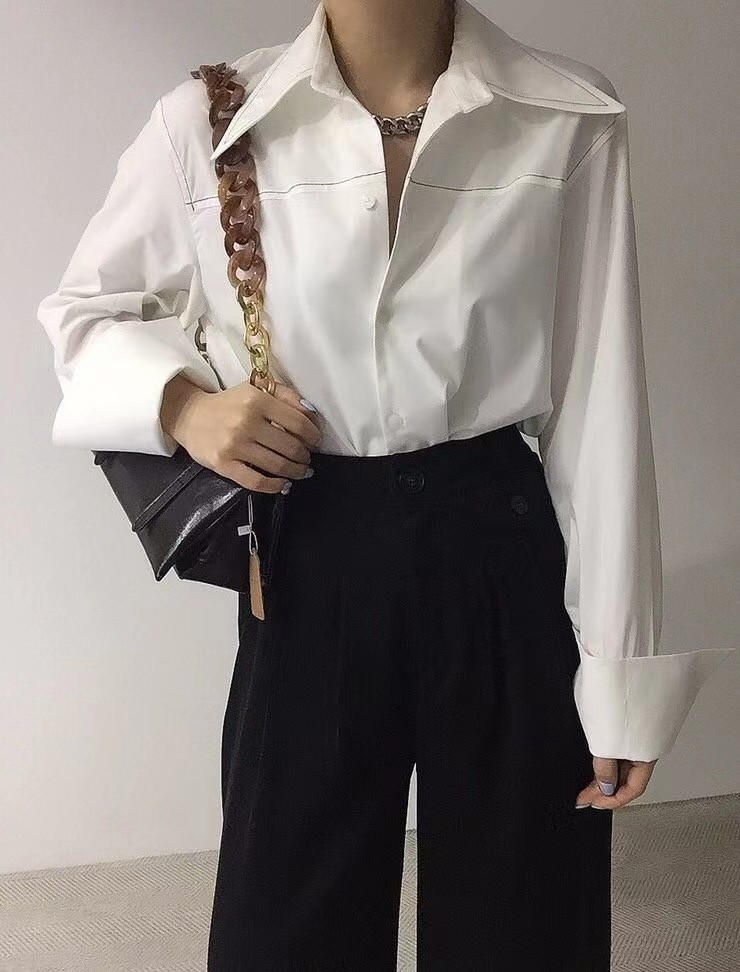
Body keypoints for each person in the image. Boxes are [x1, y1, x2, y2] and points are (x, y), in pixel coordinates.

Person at [36, 0, 735, 968]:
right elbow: (86, 312)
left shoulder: (564, 113)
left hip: (497, 543)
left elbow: (598, 395)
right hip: (308, 547)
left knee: (522, 917)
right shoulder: (206, 121)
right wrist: (184, 406)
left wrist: (619, 670)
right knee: (288, 919)